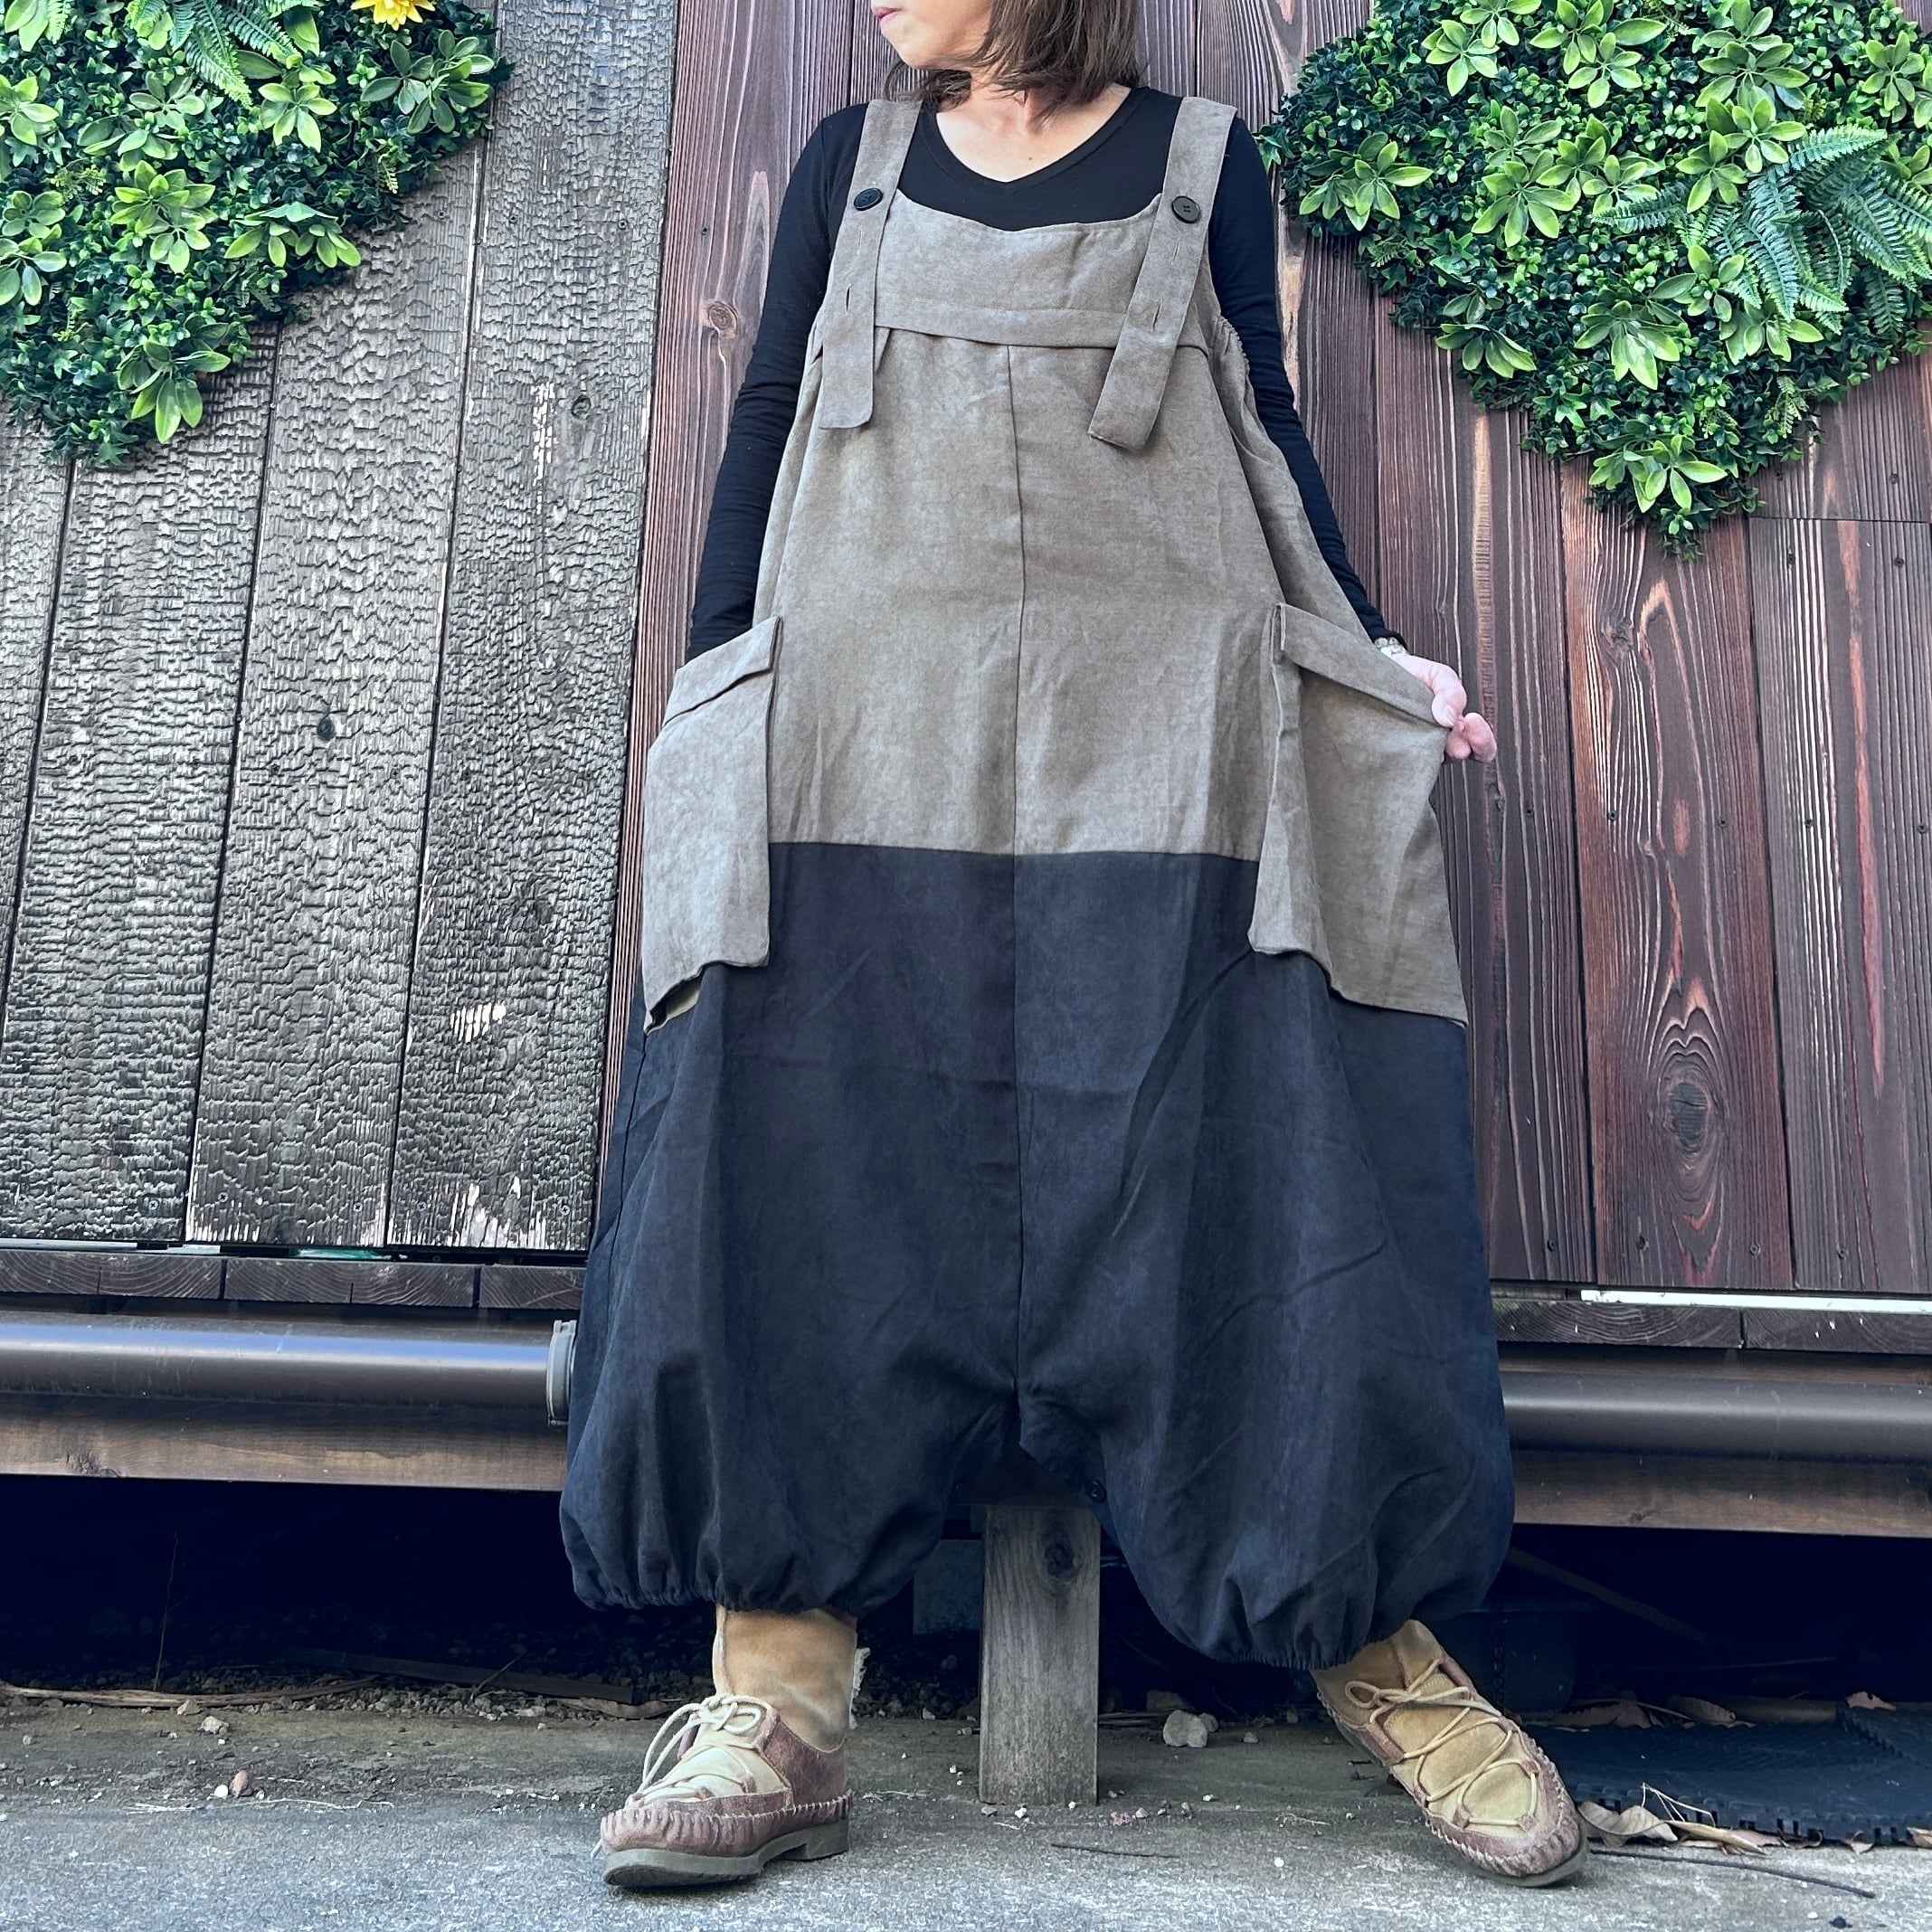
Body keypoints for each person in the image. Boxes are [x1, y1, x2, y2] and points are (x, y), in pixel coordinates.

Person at [560, 0, 1585, 1893]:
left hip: (1161, 750)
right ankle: (776, 1704)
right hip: (861, 744)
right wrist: (718, 692)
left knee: (1253, 1166)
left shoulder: (1203, 164)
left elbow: (1265, 441)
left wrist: (1373, 658)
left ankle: (1381, 1659)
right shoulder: (850, 169)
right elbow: (767, 418)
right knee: (802, 1167)